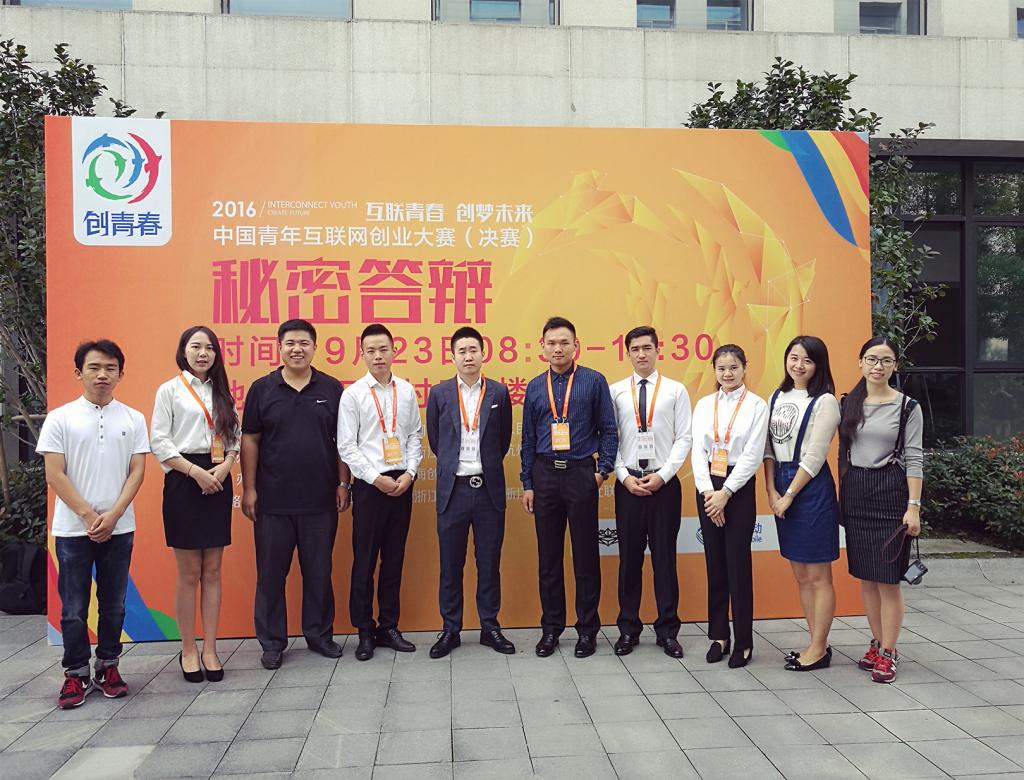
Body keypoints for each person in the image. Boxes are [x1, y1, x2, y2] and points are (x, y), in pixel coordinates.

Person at [37, 340, 148, 709]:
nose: (103, 375)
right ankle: (75, 673)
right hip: (73, 530)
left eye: (110, 368)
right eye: (94, 367)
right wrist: (88, 515)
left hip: (119, 527)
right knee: (73, 607)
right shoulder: (60, 418)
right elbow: (54, 473)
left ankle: (108, 667)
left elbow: (137, 471)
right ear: (78, 372)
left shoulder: (133, 418)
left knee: (114, 604)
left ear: (120, 373)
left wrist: (113, 515)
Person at [240, 319, 350, 670]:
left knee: (319, 572)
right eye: (290, 343)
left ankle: (319, 635)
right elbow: (250, 439)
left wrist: (343, 483)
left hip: (320, 499)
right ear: (279, 347)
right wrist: (249, 488)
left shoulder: (331, 388)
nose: (297, 349)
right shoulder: (262, 389)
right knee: (271, 575)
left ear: (315, 347)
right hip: (273, 501)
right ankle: (272, 642)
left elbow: (343, 441)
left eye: (304, 343)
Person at [520, 316, 618, 659]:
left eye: (564, 342)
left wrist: (602, 471)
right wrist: (528, 483)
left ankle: (587, 630)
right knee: (548, 558)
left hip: (580, 474)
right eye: (552, 343)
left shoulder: (593, 381)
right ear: (542, 346)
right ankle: (551, 628)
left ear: (576, 345)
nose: (558, 348)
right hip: (545, 475)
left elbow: (609, 430)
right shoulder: (535, 387)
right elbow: (528, 439)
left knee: (585, 557)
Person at [150, 325, 240, 683]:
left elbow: (234, 437)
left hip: (218, 476)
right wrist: (195, 472)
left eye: (209, 348)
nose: (203, 353)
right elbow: (160, 441)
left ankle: (211, 648)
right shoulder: (169, 390)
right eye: (196, 347)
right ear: (183, 351)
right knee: (189, 573)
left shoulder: (222, 391)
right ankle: (188, 649)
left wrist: (226, 465)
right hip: (184, 480)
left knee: (213, 570)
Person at [425, 326, 515, 658]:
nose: (468, 356)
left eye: (473, 350)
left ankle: (490, 627)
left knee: (489, 563)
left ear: (483, 353)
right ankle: (451, 629)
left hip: (488, 490)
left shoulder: (499, 393)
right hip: (454, 491)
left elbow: (503, 440)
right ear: (452, 356)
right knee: (451, 565)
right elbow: (436, 441)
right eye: (461, 351)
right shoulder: (439, 393)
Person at [839, 336, 924, 684]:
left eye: (886, 360)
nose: (878, 366)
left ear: (895, 366)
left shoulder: (907, 407)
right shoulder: (848, 403)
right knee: (867, 576)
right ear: (860, 362)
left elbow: (915, 457)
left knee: (888, 580)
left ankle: (889, 651)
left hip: (891, 493)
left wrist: (913, 507)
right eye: (872, 359)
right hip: (856, 492)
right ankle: (876, 642)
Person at [337, 323, 424, 661]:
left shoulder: (406, 390)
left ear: (394, 351)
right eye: (371, 351)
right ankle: (364, 630)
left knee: (394, 558)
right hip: (370, 487)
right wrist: (375, 479)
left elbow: (415, 436)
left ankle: (389, 626)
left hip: (402, 484)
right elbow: (347, 446)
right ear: (361, 354)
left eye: (383, 349)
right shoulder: (353, 395)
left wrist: (410, 473)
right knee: (365, 561)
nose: (378, 356)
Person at [609, 326, 692, 658]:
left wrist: (664, 475)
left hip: (664, 487)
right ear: (627, 353)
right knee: (629, 561)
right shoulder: (616, 392)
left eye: (647, 348)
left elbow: (684, 437)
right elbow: (609, 437)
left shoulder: (675, 390)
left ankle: (668, 630)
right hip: (628, 485)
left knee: (664, 560)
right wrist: (623, 477)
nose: (641, 354)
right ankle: (628, 629)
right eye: (635, 349)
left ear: (658, 350)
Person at [763, 335, 841, 672]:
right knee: (801, 574)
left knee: (818, 574)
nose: (799, 365)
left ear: (818, 365)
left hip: (810, 488)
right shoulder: (777, 396)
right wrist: (771, 491)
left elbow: (815, 455)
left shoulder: (826, 401)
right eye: (793, 358)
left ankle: (819, 648)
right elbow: (768, 447)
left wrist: (790, 495)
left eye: (807, 360)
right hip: (781, 482)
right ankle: (814, 643)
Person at [691, 344, 769, 668]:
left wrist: (726, 493)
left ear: (744, 368)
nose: (728, 373)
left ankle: (744, 641)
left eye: (734, 367)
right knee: (715, 563)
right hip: (708, 488)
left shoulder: (757, 405)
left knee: (737, 564)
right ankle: (719, 635)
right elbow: (697, 451)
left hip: (738, 486)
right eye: (721, 368)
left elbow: (753, 455)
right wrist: (709, 492)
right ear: (714, 370)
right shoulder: (704, 404)